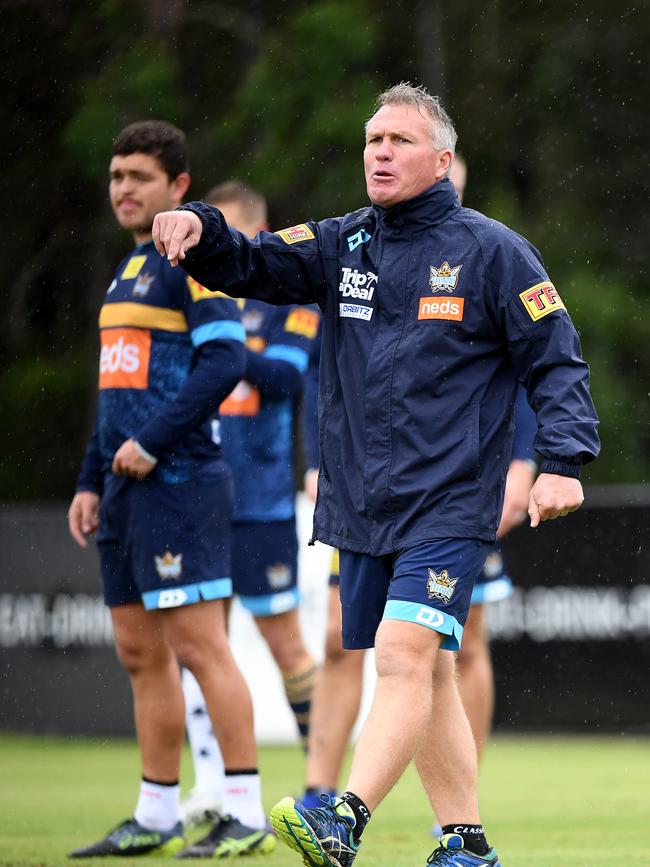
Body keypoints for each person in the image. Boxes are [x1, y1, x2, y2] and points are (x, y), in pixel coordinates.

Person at [152, 83, 600, 867]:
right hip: (363, 504)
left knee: (401, 656)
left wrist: (561, 461)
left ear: (442, 159)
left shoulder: (495, 252)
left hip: (452, 501)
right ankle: (466, 844)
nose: (379, 152)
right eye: (370, 139)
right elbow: (255, 262)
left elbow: (557, 361)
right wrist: (204, 231)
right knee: (430, 672)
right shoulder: (343, 241)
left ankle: (344, 817)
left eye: (397, 139)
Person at [67, 121, 275, 859]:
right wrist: (91, 478)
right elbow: (114, 389)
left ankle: (244, 809)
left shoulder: (191, 261)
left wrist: (152, 443)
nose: (123, 187)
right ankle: (155, 813)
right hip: (123, 492)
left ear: (178, 187)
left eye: (139, 177)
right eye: (116, 175)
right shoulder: (126, 270)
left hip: (181, 481)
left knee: (198, 644)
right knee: (137, 650)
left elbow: (227, 365)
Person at [180, 181, 319, 828]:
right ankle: (214, 785)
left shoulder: (287, 300)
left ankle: (321, 781)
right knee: (198, 643)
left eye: (226, 233)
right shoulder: (193, 301)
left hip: (261, 502)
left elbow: (288, 376)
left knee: (286, 646)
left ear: (256, 231)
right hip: (201, 495)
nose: (216, 246)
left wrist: (227, 351)